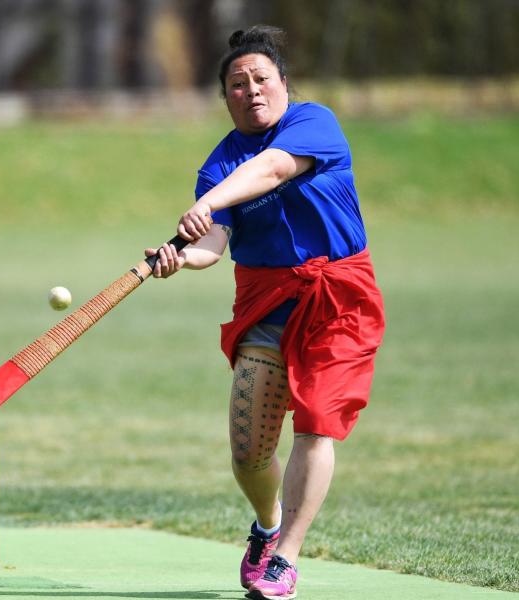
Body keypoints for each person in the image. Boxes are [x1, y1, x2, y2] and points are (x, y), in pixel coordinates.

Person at [146, 26, 385, 600]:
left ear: (283, 83)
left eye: (261, 79)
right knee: (248, 450)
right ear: (224, 97)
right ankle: (267, 524)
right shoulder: (219, 162)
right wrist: (178, 257)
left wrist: (205, 203)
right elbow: (211, 245)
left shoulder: (312, 123)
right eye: (236, 83)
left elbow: (274, 170)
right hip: (266, 299)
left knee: (317, 422)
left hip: (337, 297)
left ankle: (286, 558)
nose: (251, 90)